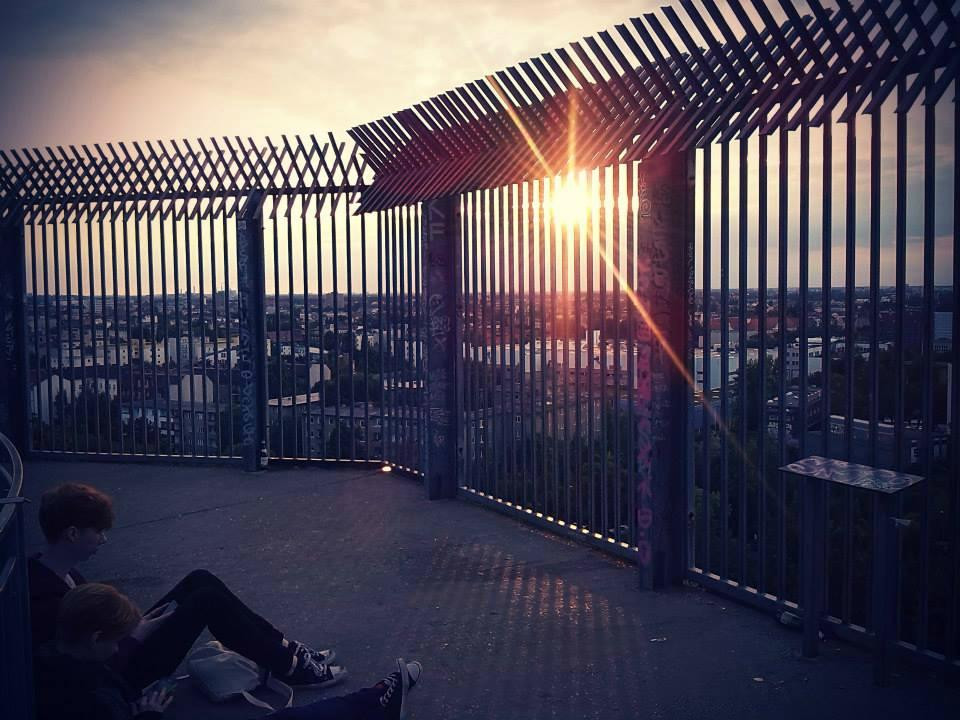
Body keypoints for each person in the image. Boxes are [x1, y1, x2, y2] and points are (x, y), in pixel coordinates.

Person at [29, 483, 343, 691]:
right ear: (72, 534)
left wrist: (136, 629)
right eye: (96, 532)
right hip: (122, 674)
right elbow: (82, 668)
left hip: (122, 646)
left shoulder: (56, 573)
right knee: (206, 601)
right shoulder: (47, 601)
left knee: (199, 578)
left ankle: (285, 648)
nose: (103, 539)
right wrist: (136, 635)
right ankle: (288, 667)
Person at [35, 583, 422, 720]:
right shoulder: (92, 697)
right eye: (117, 640)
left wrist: (136, 636)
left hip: (119, 685)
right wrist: (148, 715)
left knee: (201, 583)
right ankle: (369, 701)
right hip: (126, 687)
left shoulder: (62, 666)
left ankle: (297, 659)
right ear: (93, 638)